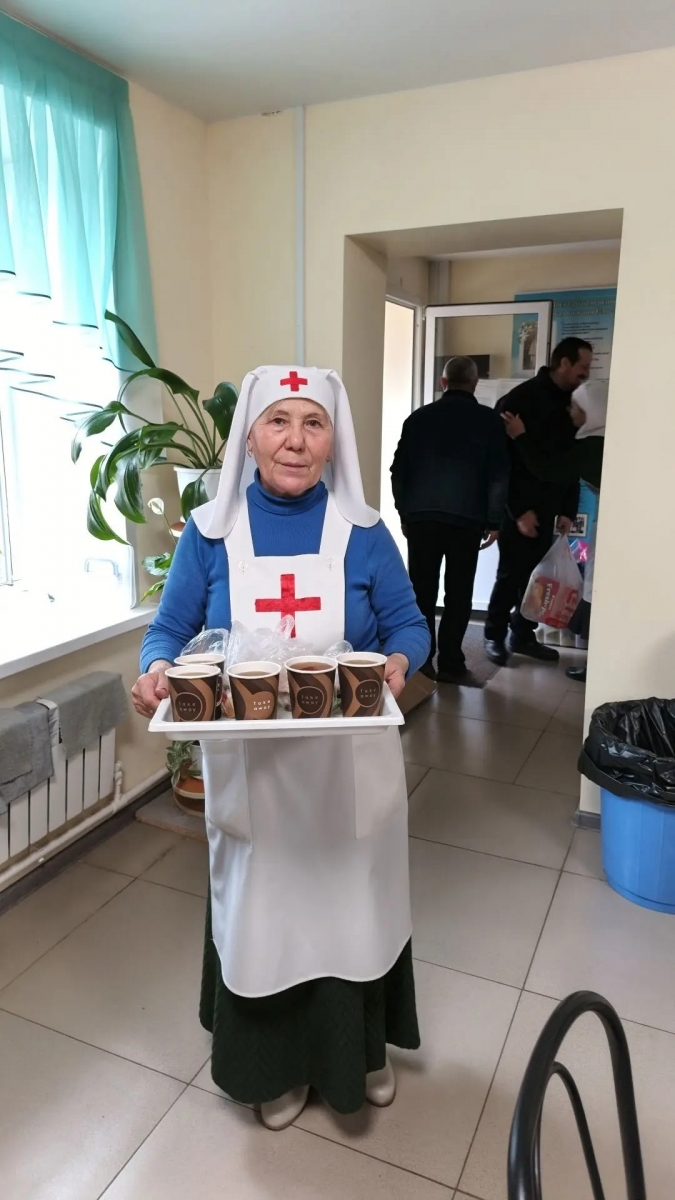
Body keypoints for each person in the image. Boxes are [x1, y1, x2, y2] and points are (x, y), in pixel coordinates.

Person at [132, 366, 430, 1131]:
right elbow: (169, 629)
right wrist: (156, 670)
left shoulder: (363, 532)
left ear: (333, 441)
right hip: (255, 773)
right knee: (270, 918)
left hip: (349, 767)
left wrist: (400, 662)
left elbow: (407, 623)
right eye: (278, 421)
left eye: (313, 423)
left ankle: (360, 1053)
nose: (295, 441)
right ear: (250, 437)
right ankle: (275, 1066)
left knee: (352, 908)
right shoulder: (210, 534)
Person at [390, 356, 509, 682]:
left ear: (443, 383)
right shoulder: (489, 421)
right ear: (474, 383)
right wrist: (494, 520)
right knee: (459, 594)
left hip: (422, 519)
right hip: (466, 520)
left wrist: (405, 512)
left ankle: (422, 663)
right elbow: (499, 475)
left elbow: (398, 471)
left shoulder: (418, 419)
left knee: (421, 592)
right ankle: (452, 664)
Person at [484, 336, 593, 667]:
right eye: (582, 367)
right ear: (564, 363)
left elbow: (568, 462)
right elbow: (499, 464)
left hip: (550, 510)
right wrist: (517, 511)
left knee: (540, 580)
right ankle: (493, 635)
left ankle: (523, 634)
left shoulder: (573, 404)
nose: (586, 374)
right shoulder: (519, 400)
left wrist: (567, 510)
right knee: (511, 576)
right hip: (519, 511)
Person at [502, 379, 607, 684]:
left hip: (614, 530)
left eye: (577, 406)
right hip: (613, 525)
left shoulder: (592, 446)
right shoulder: (599, 440)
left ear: (592, 410)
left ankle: (599, 666)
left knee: (598, 591)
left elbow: (549, 470)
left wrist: (520, 436)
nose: (570, 411)